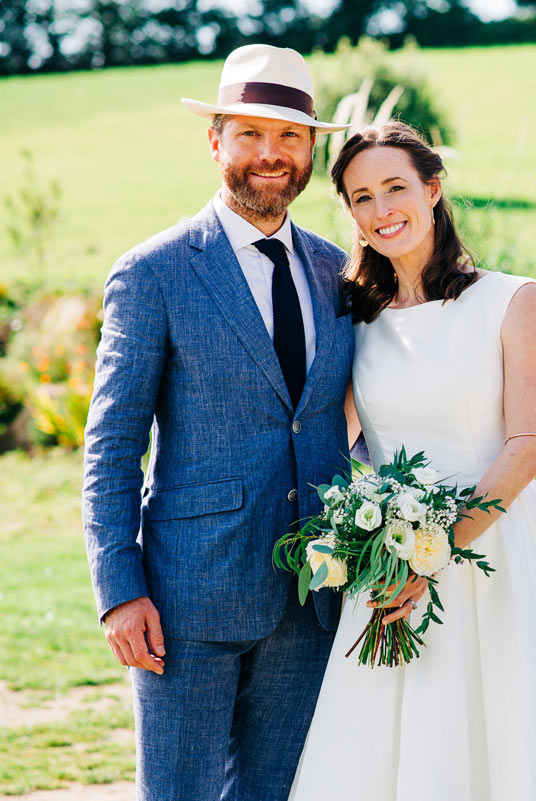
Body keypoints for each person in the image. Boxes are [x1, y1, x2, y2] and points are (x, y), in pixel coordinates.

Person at [288, 121, 536, 800]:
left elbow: (527, 448)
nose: (381, 210)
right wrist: (370, 546)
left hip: (503, 559)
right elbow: (334, 434)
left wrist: (436, 552)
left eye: (395, 187)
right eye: (361, 197)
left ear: (433, 187)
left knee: (509, 746)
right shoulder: (353, 316)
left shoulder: (511, 299)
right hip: (390, 570)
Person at [82, 44, 354, 801]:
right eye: (250, 134)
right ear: (216, 142)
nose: (270, 154)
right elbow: (111, 444)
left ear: (310, 149)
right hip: (184, 602)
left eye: (290, 136)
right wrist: (118, 588)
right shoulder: (155, 271)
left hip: (311, 597)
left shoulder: (339, 273)